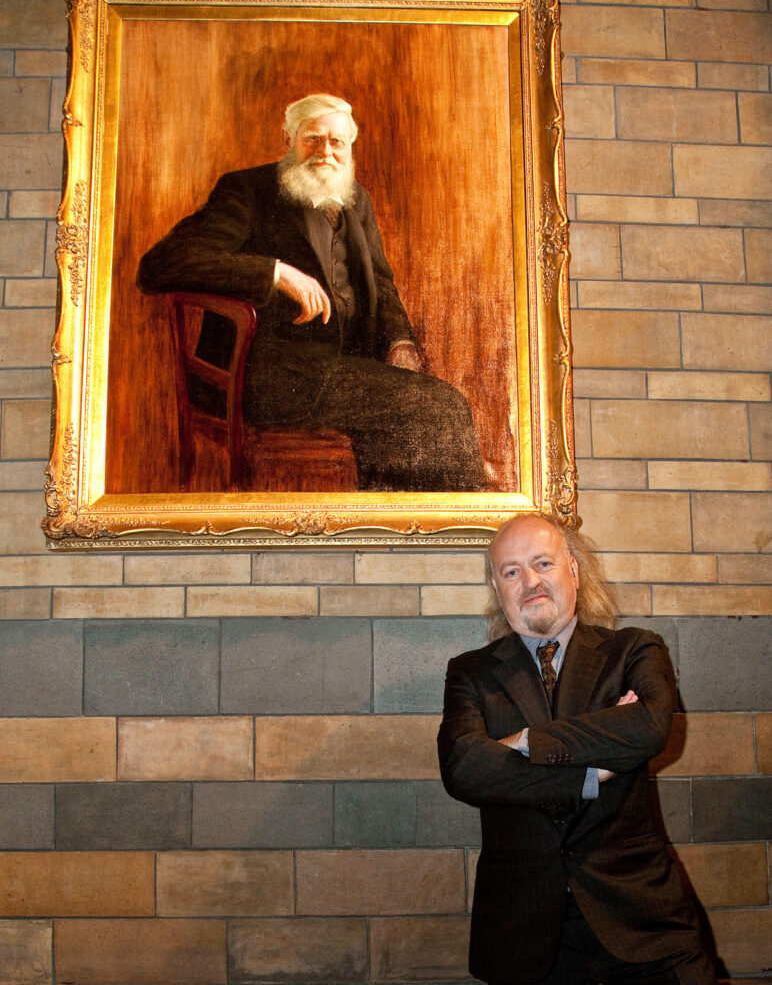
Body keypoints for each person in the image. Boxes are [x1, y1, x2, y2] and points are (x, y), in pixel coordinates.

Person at [137, 93, 486, 492]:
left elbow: (381, 282)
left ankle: (396, 527)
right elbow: (162, 264)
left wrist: (399, 342)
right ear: (289, 140)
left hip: (342, 369)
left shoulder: (357, 200)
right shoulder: (248, 190)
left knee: (405, 418)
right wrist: (274, 272)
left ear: (349, 148)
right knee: (440, 407)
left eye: (336, 142)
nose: (325, 152)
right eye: (313, 139)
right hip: (265, 376)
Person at [437, 513, 717, 985]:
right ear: (496, 585)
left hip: (643, 923)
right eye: (512, 571)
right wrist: (590, 771)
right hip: (524, 935)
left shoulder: (634, 651)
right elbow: (464, 768)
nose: (530, 581)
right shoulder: (470, 673)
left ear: (574, 569)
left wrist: (524, 741)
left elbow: (648, 728)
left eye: (543, 563)